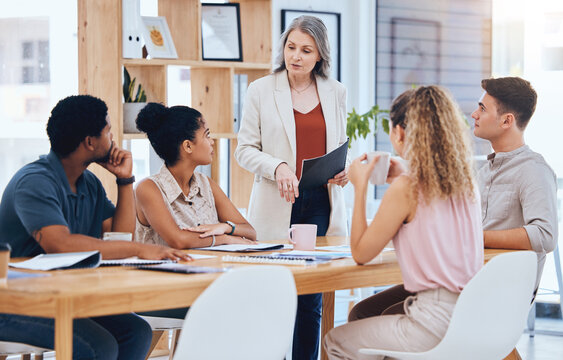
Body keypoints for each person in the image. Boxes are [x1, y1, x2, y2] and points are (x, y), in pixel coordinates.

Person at [0, 95, 188, 360]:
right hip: (15, 305)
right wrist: (141, 249)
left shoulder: (88, 182)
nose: (113, 139)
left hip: (62, 299)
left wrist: (125, 181)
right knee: (99, 345)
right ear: (90, 142)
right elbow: (60, 245)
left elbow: (120, 236)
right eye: (108, 131)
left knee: (137, 331)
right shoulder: (34, 182)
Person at [324, 86, 484, 359]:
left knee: (335, 340)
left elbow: (361, 254)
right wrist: (404, 168)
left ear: (399, 132)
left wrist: (360, 188)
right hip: (470, 316)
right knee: (364, 314)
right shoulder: (466, 182)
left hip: (431, 322)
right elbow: (430, 182)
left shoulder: (405, 189)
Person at [235, 15, 348, 359]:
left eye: (305, 50)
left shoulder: (336, 91)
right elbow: (244, 151)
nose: (295, 56)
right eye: (291, 47)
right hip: (276, 201)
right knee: (273, 292)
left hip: (319, 202)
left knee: (309, 297)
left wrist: (342, 171)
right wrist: (278, 166)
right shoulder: (261, 90)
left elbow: (338, 144)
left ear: (320, 56)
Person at [472, 76, 558, 292]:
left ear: (507, 121)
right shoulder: (485, 172)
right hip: (470, 281)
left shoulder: (534, 169)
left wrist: (477, 238)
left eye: (482, 109)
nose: (474, 114)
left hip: (500, 293)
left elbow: (545, 236)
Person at [134, 102, 257, 249]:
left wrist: (225, 227)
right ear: (188, 146)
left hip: (207, 269)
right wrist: (224, 239)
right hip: (165, 271)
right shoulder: (148, 188)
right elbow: (178, 240)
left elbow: (250, 232)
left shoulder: (206, 184)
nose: (212, 142)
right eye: (207, 135)